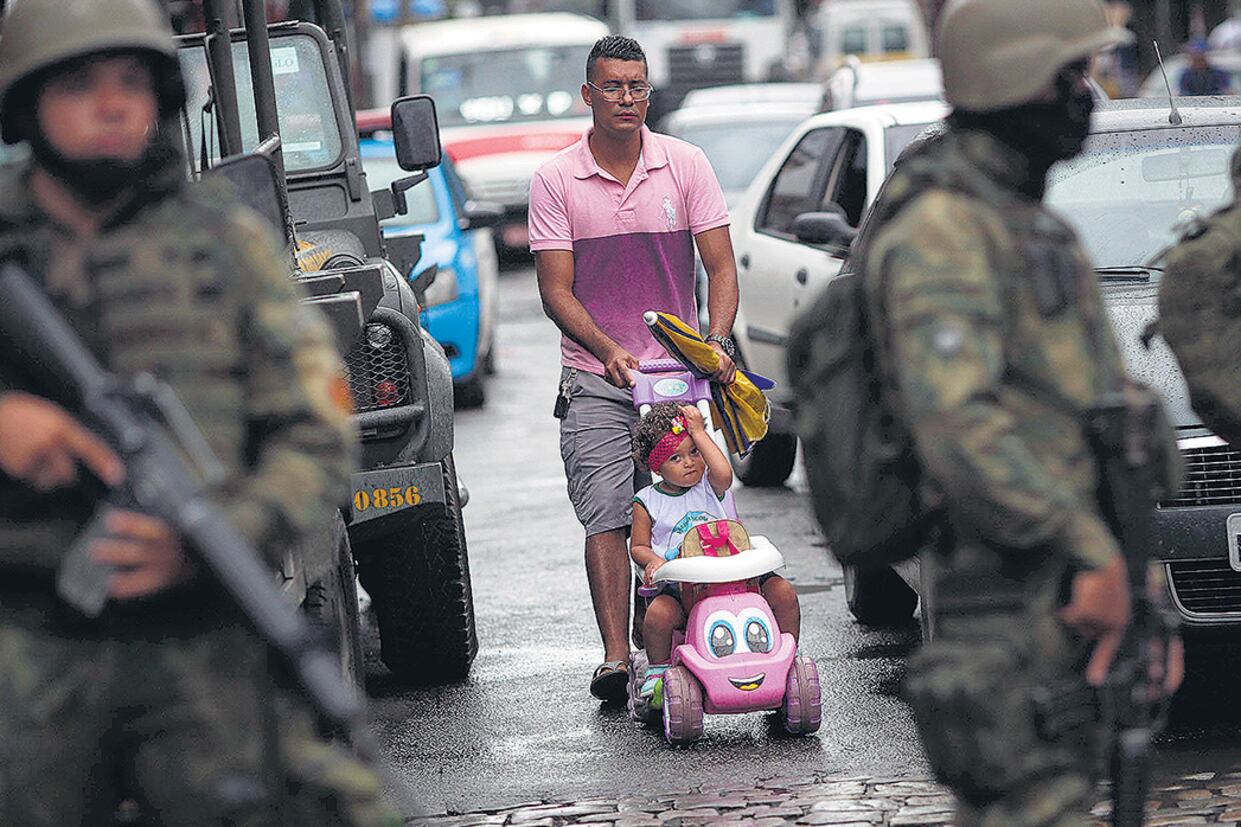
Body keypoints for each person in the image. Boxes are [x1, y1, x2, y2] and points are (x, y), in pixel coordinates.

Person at [0, 0, 397, 824]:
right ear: (26, 98)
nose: (112, 105)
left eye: (132, 82)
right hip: (27, 637)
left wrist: (229, 524)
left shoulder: (224, 242)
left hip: (198, 628)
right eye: (81, 84)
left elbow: (315, 431)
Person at [853, 0, 1184, 823]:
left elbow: (1094, 423)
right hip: (1002, 604)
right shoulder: (940, 231)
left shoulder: (1028, 226)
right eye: (1070, 76)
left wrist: (1135, 586)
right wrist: (1089, 555)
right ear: (1013, 81)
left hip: (1073, 594)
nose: (1089, 95)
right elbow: (957, 425)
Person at [528, 34, 740, 702]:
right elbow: (555, 290)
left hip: (675, 383)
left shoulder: (684, 164)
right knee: (608, 516)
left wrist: (715, 340)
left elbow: (721, 266)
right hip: (594, 377)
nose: (627, 97)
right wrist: (607, 351)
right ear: (588, 95)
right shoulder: (555, 179)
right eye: (613, 86)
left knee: (694, 503)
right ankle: (616, 658)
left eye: (638, 85)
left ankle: (695, 635)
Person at [629, 403, 800, 701]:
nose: (689, 463)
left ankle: (786, 656)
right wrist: (654, 561)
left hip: (737, 579)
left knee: (783, 591)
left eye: (694, 452)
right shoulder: (647, 501)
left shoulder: (709, 487)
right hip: (684, 587)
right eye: (675, 458)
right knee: (658, 614)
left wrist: (698, 431)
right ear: (656, 467)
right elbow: (639, 546)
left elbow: (724, 473)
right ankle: (658, 670)